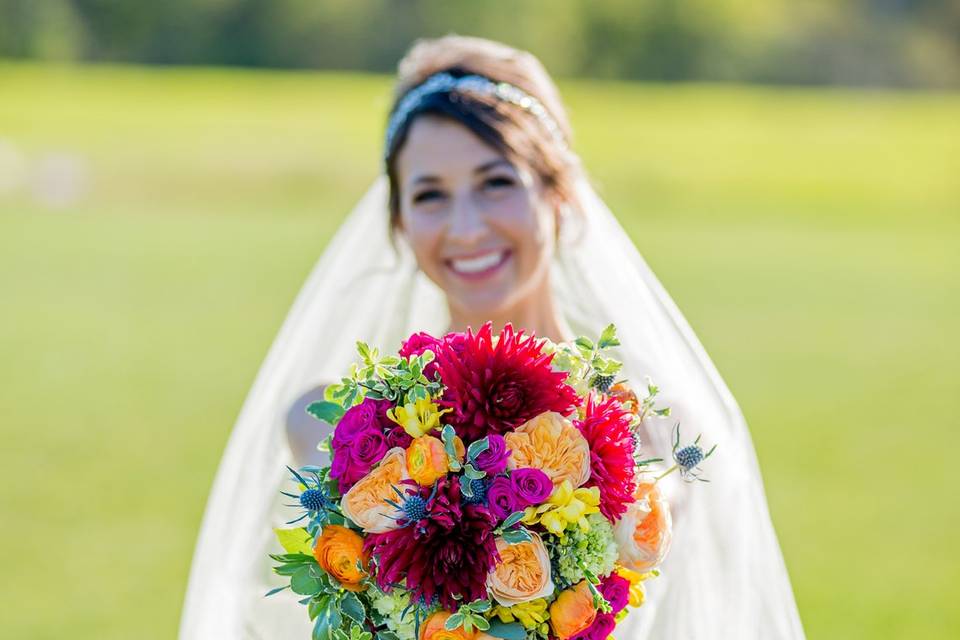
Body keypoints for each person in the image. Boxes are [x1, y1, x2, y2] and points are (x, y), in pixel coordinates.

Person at [179, 35, 805, 639]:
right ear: (397, 221)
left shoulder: (652, 431)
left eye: (496, 182)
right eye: (430, 195)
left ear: (558, 193)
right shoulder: (334, 424)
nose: (467, 227)